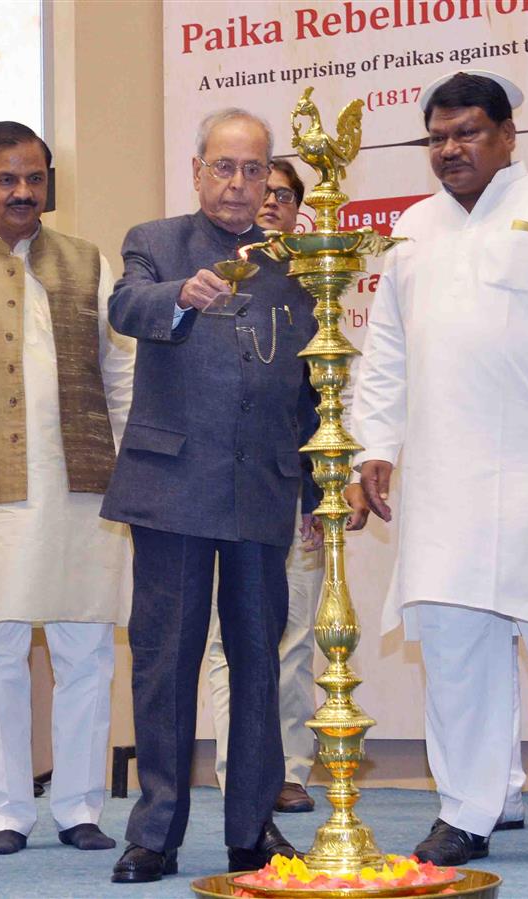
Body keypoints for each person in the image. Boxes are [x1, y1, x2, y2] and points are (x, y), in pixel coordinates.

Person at [346, 71, 528, 869]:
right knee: (456, 653)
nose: (450, 149)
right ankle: (467, 807)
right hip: (443, 483)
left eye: (467, 132)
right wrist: (375, 445)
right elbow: (386, 354)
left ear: (507, 136)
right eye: (436, 137)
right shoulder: (409, 229)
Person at [101, 108, 319, 884]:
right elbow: (125, 306)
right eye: (224, 167)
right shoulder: (156, 243)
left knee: (259, 660)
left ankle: (251, 829)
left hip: (262, 486)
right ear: (197, 170)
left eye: (253, 169)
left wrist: (314, 490)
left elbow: (308, 387)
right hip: (173, 488)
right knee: (166, 661)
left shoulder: (296, 261)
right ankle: (153, 832)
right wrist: (177, 298)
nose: (238, 183)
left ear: (271, 178)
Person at [0, 122, 135, 857]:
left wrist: (131, 465)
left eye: (35, 178)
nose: (23, 192)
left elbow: (120, 371)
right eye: (6, 179)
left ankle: (80, 804)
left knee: (85, 644)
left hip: (82, 481)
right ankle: (5, 810)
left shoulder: (89, 261)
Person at [206, 158, 322, 815]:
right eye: (262, 189)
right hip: (222, 490)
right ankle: (237, 771)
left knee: (296, 635)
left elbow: (315, 402)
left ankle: (290, 769)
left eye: (282, 194)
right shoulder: (210, 277)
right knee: (231, 641)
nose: (269, 201)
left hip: (291, 488)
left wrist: (312, 493)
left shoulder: (309, 288)